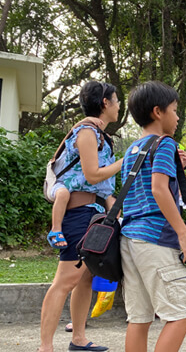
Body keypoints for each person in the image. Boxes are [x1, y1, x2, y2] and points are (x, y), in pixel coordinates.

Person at [39, 81, 122, 352]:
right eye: (116, 99)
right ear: (104, 103)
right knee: (65, 281)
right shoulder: (86, 132)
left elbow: (104, 187)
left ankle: (79, 339)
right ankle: (46, 346)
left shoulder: (100, 136)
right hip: (78, 214)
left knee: (85, 278)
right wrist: (128, 159)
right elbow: (92, 175)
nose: (119, 104)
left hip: (94, 213)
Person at [120, 81, 186, 352]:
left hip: (130, 238)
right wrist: (184, 235)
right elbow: (158, 189)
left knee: (139, 318)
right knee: (181, 313)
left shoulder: (132, 149)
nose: (178, 117)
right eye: (175, 110)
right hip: (155, 238)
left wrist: (179, 167)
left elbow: (140, 189)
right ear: (158, 111)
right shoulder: (165, 143)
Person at [46, 117, 106, 251]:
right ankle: (55, 229)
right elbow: (71, 133)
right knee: (63, 194)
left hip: (73, 190)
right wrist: (85, 120)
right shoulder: (82, 134)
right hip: (56, 183)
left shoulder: (99, 140)